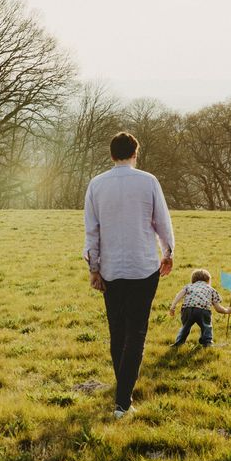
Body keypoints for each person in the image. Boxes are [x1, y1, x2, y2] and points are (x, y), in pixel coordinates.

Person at [83, 131, 174, 418]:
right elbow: (162, 220)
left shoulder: (96, 185)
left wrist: (94, 268)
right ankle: (123, 401)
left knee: (117, 331)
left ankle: (123, 395)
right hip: (143, 267)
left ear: (111, 155)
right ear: (135, 153)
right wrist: (168, 252)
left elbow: (92, 230)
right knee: (136, 333)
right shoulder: (148, 181)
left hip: (111, 268)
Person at [167, 268, 231, 347]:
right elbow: (218, 308)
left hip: (187, 309)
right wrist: (226, 311)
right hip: (203, 310)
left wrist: (173, 306)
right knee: (206, 327)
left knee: (185, 327)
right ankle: (207, 343)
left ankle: (178, 343)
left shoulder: (188, 286)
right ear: (208, 280)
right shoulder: (211, 289)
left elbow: (179, 296)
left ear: (193, 279)